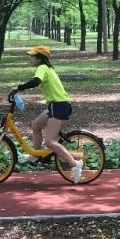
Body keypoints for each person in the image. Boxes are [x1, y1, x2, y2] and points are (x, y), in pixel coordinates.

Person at [14, 45, 83, 183]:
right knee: (36, 125)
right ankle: (36, 154)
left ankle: (76, 165)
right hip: (55, 105)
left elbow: (36, 81)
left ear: (39, 58)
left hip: (59, 105)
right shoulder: (48, 68)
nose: (31, 59)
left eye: (33, 56)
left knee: (50, 141)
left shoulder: (42, 68)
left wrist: (19, 88)